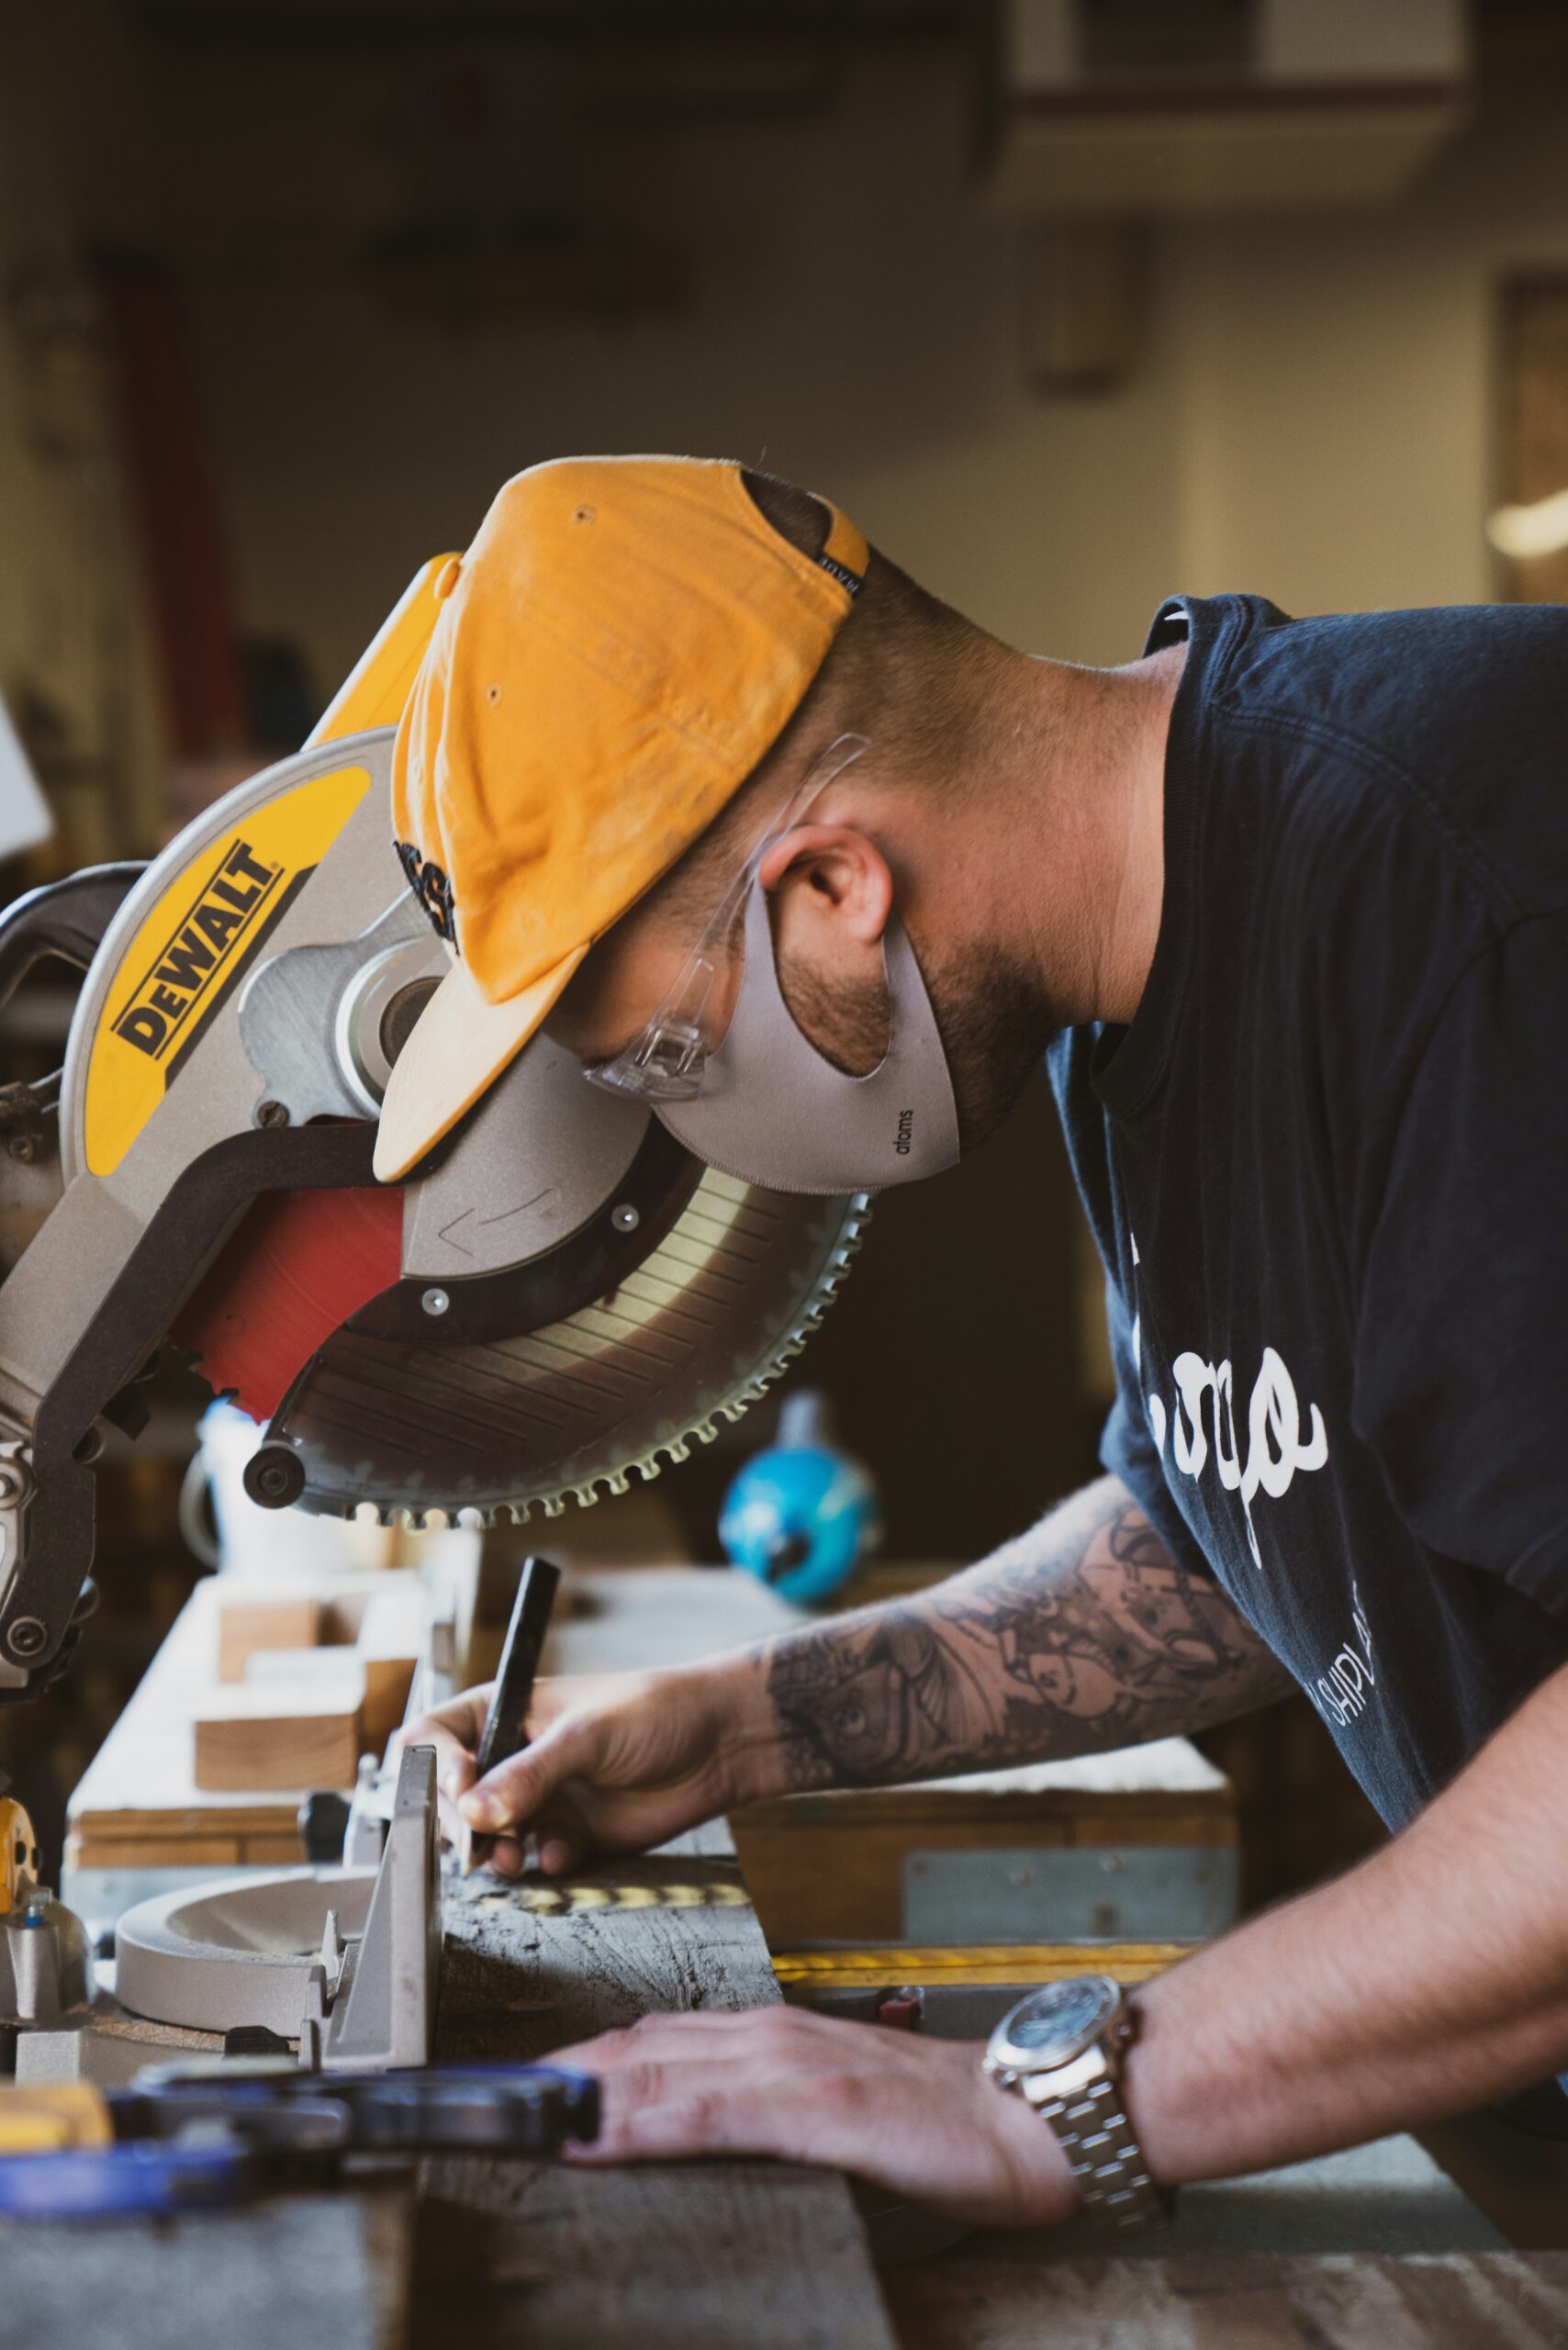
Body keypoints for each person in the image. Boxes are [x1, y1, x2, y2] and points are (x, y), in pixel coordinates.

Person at [384, 453, 1568, 2229]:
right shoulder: (1130, 989)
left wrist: (1047, 2102)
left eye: (668, 1062)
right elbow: (1229, 1526)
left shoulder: (1472, 898)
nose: (679, 1126)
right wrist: (746, 1730)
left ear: (839, 887)